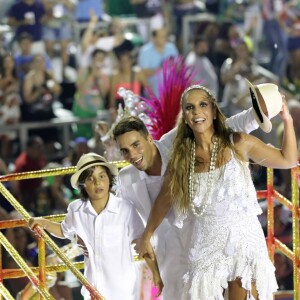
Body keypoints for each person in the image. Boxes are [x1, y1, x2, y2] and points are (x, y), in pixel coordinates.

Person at [137, 83, 298, 299]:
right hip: (206, 244)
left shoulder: (238, 142)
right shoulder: (182, 158)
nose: (196, 112)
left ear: (213, 111)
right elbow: (165, 197)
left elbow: (288, 159)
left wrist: (287, 120)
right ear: (185, 116)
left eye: (203, 105)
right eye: (190, 107)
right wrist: (146, 235)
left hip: (243, 241)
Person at [112, 104, 260, 300]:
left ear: (148, 137)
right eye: (124, 151)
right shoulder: (126, 178)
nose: (132, 155)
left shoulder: (175, 142)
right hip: (171, 260)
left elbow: (224, 127)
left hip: (209, 240)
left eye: (136, 145)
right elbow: (118, 216)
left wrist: (257, 113)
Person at [28, 153, 163, 300]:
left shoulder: (125, 208)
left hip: (122, 289)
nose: (97, 183)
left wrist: (155, 272)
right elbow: (63, 230)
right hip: (92, 288)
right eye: (90, 178)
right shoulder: (76, 209)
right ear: (83, 185)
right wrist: (45, 223)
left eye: (102, 176)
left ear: (109, 179)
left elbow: (141, 242)